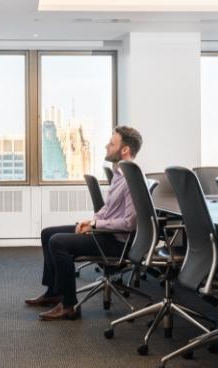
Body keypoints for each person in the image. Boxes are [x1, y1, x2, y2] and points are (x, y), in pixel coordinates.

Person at [25, 126, 143, 321]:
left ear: (125, 150)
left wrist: (96, 227)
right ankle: (54, 291)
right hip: (104, 233)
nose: (107, 145)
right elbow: (109, 209)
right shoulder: (120, 174)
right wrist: (90, 222)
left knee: (57, 242)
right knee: (48, 233)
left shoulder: (132, 179)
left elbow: (129, 223)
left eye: (112, 143)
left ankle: (69, 305)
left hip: (116, 242)